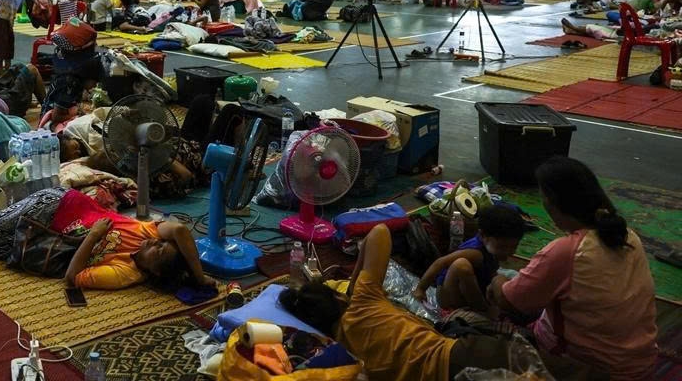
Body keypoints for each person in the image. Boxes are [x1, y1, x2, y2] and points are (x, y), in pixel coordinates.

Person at [281, 225, 600, 381]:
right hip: (463, 355)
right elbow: (378, 232)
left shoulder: (341, 353)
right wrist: (353, 286)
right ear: (336, 296)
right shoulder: (362, 302)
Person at [490, 157, 657, 380]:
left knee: (488, 338)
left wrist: (495, 279)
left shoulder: (564, 252)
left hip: (591, 369)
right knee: (522, 281)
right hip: (641, 362)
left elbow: (508, 301)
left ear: (553, 204)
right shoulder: (626, 235)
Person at [0, 187, 215, 291]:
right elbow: (178, 231)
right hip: (61, 204)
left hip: (53, 235)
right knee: (1, 222)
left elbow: (73, 277)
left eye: (158, 253)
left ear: (155, 272)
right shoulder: (146, 231)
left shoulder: (126, 272)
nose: (154, 244)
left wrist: (94, 238)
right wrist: (199, 277)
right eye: (160, 243)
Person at [413, 205, 525, 313]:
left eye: (514, 247)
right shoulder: (475, 253)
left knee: (503, 278)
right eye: (502, 247)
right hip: (448, 296)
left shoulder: (490, 248)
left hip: (475, 286)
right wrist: (421, 289)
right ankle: (482, 310)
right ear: (482, 236)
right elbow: (440, 262)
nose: (509, 252)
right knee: (461, 265)